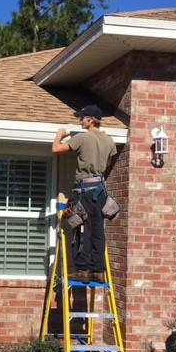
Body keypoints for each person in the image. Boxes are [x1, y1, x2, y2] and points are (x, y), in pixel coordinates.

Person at [51, 104, 117, 281]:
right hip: (100, 191)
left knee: (81, 230)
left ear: (90, 120)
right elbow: (108, 164)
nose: (79, 120)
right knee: (97, 231)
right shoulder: (109, 141)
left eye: (82, 118)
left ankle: (83, 271)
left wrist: (60, 134)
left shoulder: (82, 138)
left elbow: (56, 149)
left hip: (84, 191)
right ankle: (99, 271)